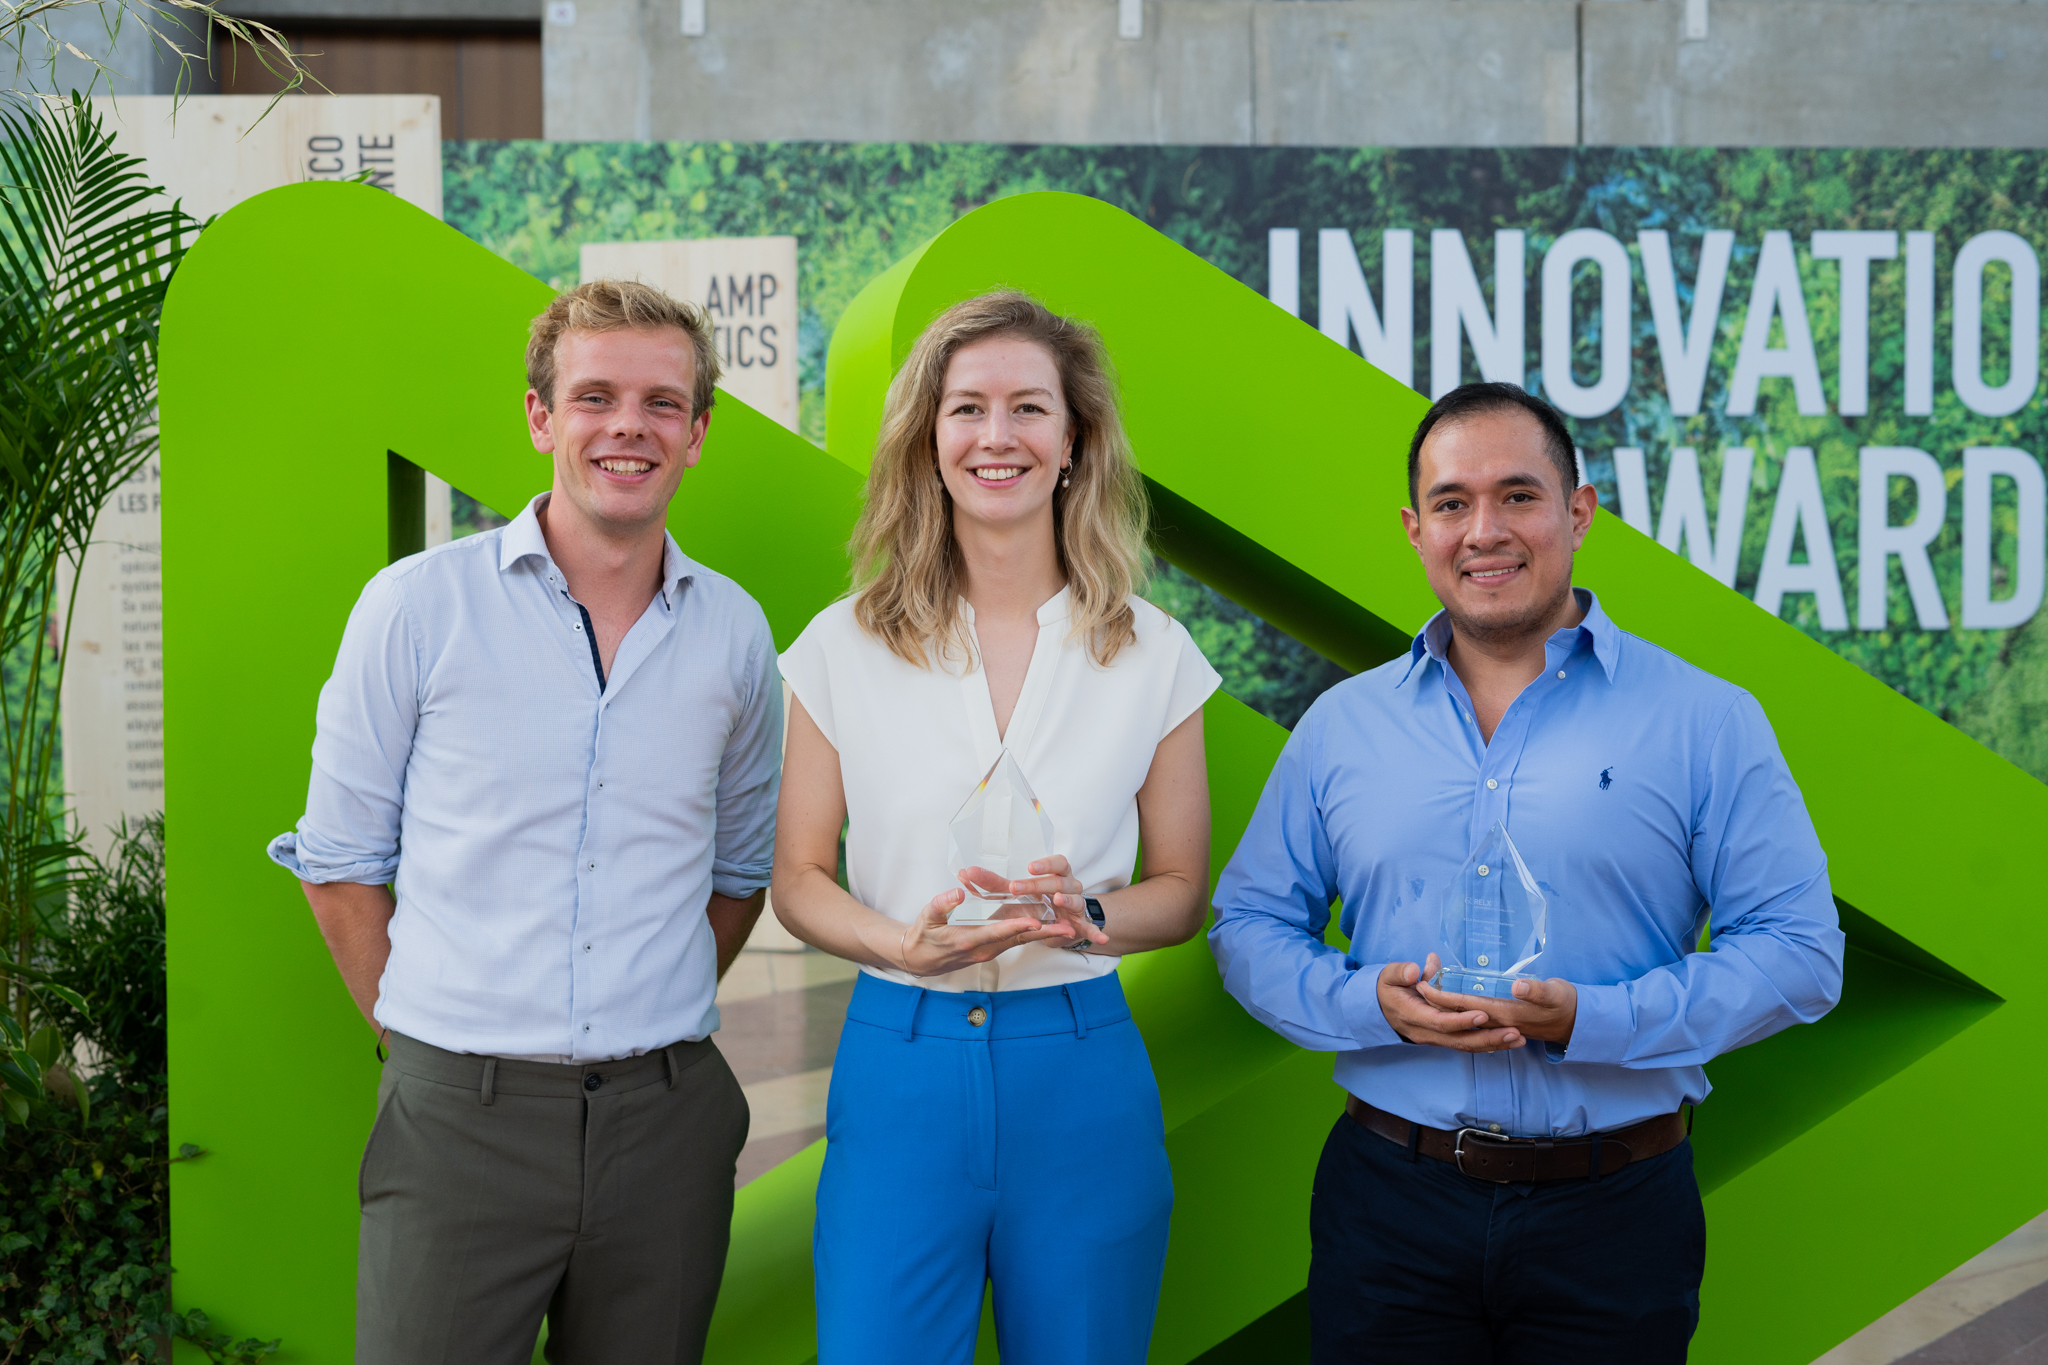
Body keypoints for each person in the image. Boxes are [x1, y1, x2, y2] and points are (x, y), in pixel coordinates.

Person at [1209, 382, 1845, 1363]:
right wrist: (1364, 1003)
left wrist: (1595, 1022)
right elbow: (1247, 924)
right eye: (1453, 503)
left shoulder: (1705, 721)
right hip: (1388, 1206)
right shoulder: (1342, 725)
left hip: (1614, 1216)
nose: (1484, 531)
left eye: (1517, 495)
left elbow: (1799, 953)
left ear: (1577, 514)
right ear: (1414, 530)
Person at [267, 280, 782, 1365]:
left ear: (695, 433)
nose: (626, 426)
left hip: (665, 1123)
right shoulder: (416, 607)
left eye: (659, 403)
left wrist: (646, 1005)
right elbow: (341, 863)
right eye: (594, 396)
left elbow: (738, 872)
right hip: (458, 1115)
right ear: (541, 418)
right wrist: (432, 1041)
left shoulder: (734, 633)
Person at [771, 290, 1219, 1365]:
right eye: (966, 408)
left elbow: (1177, 890)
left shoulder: (1152, 652)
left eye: (1028, 408)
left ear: (1074, 443)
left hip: (1081, 1071)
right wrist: (898, 944)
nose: (996, 436)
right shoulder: (843, 645)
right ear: (928, 441)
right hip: (899, 1062)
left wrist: (1091, 916)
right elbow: (795, 875)